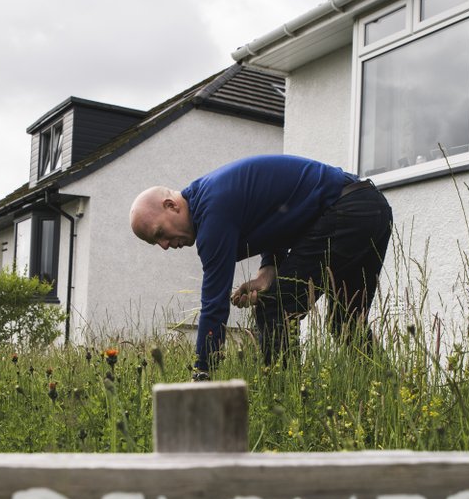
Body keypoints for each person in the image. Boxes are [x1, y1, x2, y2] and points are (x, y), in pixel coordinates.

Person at [129, 154, 391, 378]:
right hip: (370, 207)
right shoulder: (212, 196)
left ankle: (283, 399)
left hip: (348, 209)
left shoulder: (211, 214)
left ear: (171, 205)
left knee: (275, 307)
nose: (164, 245)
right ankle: (387, 391)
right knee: (345, 323)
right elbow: (277, 211)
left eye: (159, 233)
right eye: (156, 243)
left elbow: (214, 306)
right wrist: (268, 269)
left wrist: (203, 373)